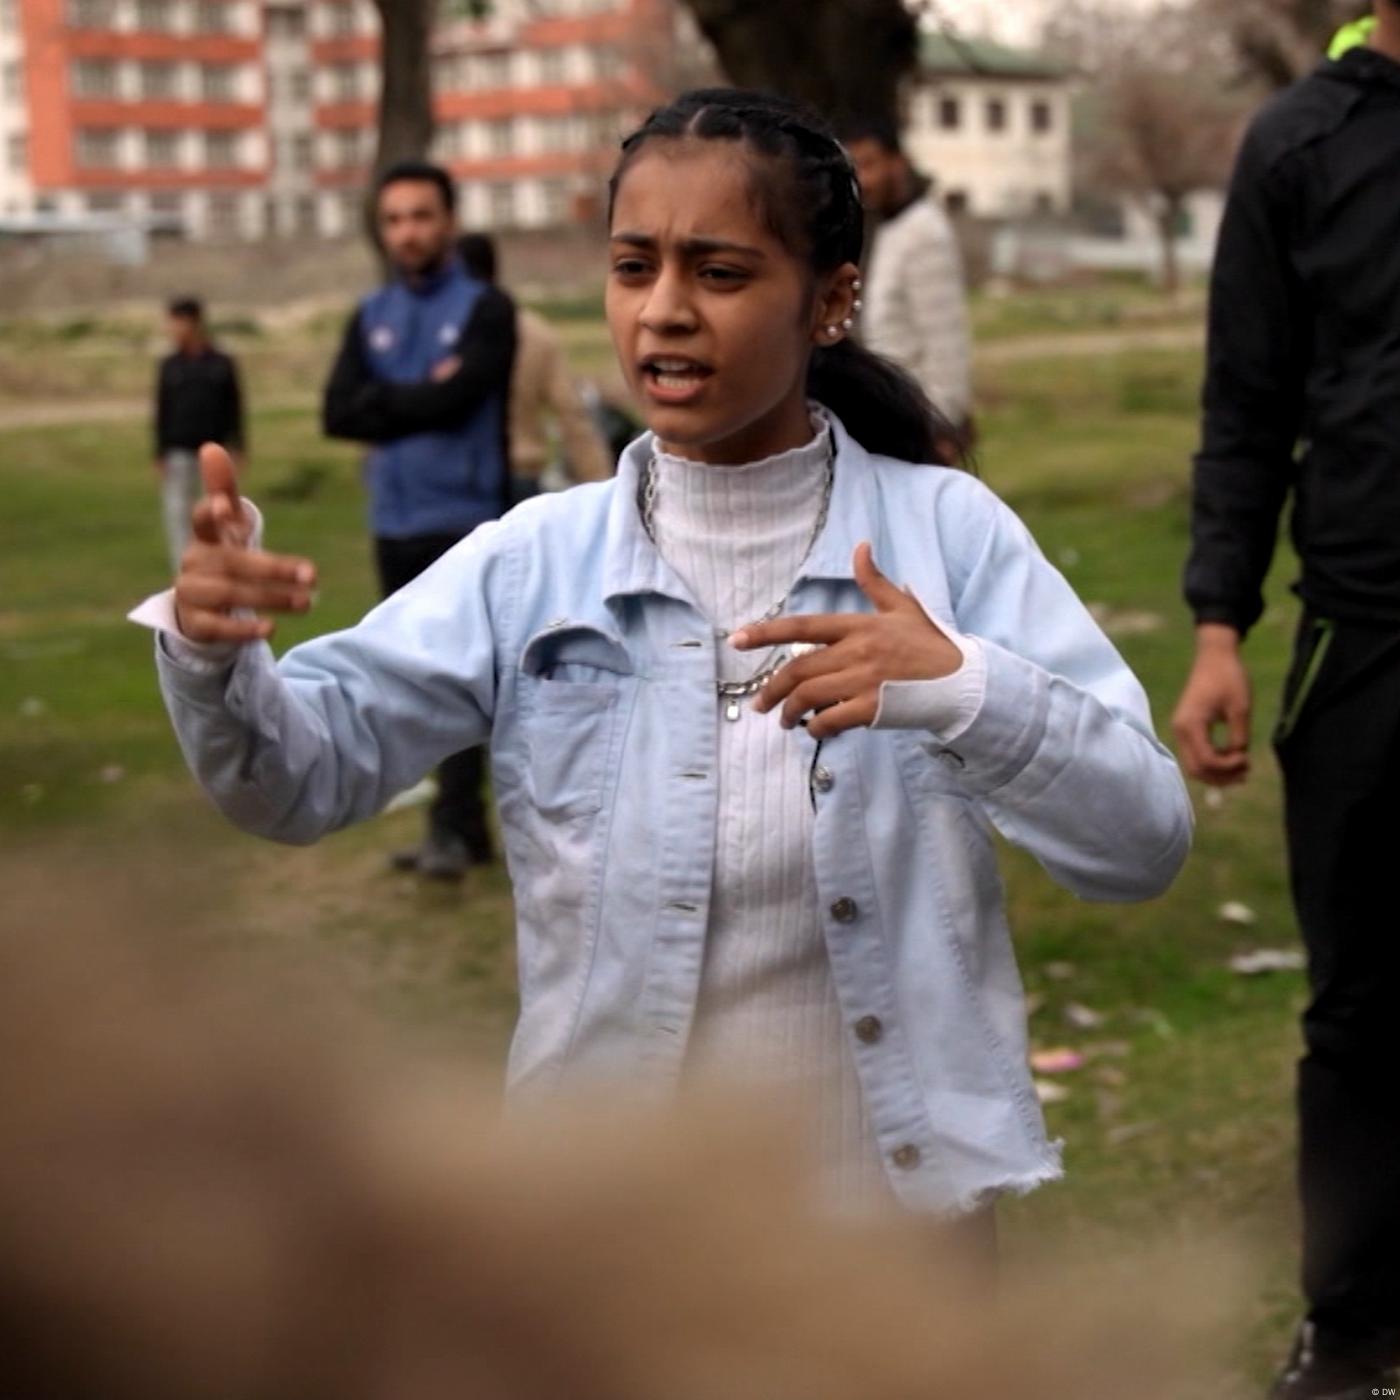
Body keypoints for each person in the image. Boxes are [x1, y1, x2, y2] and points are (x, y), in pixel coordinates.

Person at [132, 89, 1190, 1234]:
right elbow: (295, 779)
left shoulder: (946, 536)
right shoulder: (533, 562)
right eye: (633, 267)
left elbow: (1140, 841)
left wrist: (963, 689)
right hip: (617, 1243)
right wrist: (212, 650)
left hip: (892, 1243)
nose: (664, 311)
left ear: (830, 299)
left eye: (719, 273)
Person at [1172, 7, 1400, 1397]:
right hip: (1366, 636)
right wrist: (1218, 628)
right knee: (1362, 1003)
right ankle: (1353, 1321)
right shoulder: (1300, 143)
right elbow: (1245, 404)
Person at [321, 161, 517, 882]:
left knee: (461, 682)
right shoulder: (370, 314)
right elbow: (337, 411)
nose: (407, 232)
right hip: (394, 520)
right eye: (394, 219)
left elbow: (461, 398)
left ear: (449, 222)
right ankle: (456, 830)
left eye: (421, 216)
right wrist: (419, 397)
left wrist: (388, 402)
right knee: (408, 680)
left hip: (464, 518)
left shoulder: (487, 308)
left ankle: (459, 829)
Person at [842, 117, 973, 466]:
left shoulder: (924, 232)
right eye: (855, 168)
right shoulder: (888, 229)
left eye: (870, 164)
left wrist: (941, 431)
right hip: (888, 422)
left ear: (898, 163)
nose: (863, 180)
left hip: (919, 431)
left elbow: (946, 343)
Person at [456, 231, 613, 505]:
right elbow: (572, 415)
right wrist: (603, 487)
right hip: (520, 474)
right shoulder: (534, 332)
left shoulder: (440, 334)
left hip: (458, 478)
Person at [153, 296, 244, 573]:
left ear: (191, 322)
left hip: (213, 451)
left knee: (219, 512)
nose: (171, 329)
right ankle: (185, 571)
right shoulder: (170, 365)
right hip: (179, 450)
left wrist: (238, 446)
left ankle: (220, 567)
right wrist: (159, 451)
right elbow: (162, 409)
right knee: (179, 514)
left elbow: (234, 406)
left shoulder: (220, 363)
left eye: (175, 323)